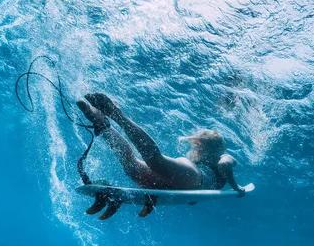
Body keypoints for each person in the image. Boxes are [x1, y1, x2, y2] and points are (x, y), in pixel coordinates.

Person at [76, 93, 246, 219]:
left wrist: (195, 198)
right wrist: (236, 187)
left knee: (132, 166)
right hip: (194, 177)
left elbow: (194, 196)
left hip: (182, 184)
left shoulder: (204, 162)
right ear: (219, 147)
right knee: (155, 161)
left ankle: (103, 126)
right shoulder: (225, 156)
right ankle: (119, 117)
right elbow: (225, 166)